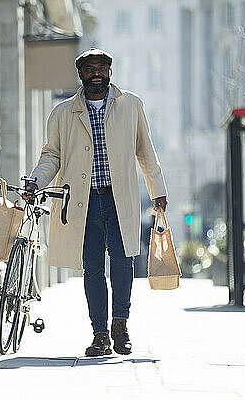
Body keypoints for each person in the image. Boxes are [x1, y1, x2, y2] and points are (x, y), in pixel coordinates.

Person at [25, 48, 167, 356]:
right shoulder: (63, 112)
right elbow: (51, 155)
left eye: (102, 67)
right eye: (90, 68)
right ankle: (100, 333)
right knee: (91, 268)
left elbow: (145, 150)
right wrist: (36, 180)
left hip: (120, 200)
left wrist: (157, 189)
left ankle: (120, 325)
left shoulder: (130, 105)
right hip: (83, 203)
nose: (97, 73)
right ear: (80, 74)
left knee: (123, 262)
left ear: (110, 72)